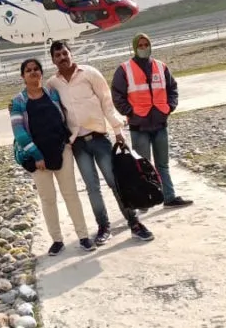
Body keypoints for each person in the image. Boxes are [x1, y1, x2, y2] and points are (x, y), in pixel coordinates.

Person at [46, 40, 154, 244]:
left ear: (71, 53)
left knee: (115, 182)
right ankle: (103, 227)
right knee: (92, 187)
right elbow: (49, 109)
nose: (62, 57)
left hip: (99, 138)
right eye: (57, 55)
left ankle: (134, 223)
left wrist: (117, 129)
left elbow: (107, 102)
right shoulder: (53, 84)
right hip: (77, 143)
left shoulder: (89, 73)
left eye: (65, 53)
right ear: (53, 60)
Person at [10, 58, 96, 255]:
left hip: (61, 152)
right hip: (37, 159)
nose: (33, 72)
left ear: (41, 72)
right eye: (28, 70)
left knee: (71, 195)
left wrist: (67, 141)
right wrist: (37, 155)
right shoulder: (18, 102)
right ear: (23, 76)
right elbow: (19, 132)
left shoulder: (53, 94)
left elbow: (65, 117)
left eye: (36, 69)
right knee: (48, 199)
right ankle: (57, 240)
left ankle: (83, 236)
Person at [111, 33, 193, 209]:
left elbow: (172, 88)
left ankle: (169, 197)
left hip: (160, 123)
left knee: (163, 164)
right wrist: (130, 112)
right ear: (134, 47)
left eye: (146, 44)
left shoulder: (161, 67)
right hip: (138, 126)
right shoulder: (124, 69)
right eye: (140, 45)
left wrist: (170, 107)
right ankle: (145, 199)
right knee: (142, 165)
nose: (143, 48)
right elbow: (117, 95)